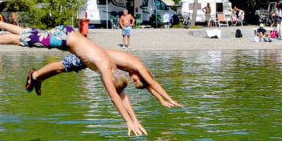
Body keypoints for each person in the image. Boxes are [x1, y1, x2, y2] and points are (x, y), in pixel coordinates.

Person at [0, 18, 151, 136]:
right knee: (24, 40)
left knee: (29, 34)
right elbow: (115, 97)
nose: (106, 86)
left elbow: (122, 96)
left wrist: (135, 120)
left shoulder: (112, 67)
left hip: (67, 36)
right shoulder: (105, 69)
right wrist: (128, 121)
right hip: (65, 37)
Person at [25, 48, 181, 109]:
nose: (132, 80)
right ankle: (35, 75)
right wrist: (170, 99)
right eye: (135, 80)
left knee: (64, 69)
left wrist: (161, 101)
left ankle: (39, 79)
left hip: (97, 61)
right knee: (63, 65)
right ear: (141, 76)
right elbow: (153, 83)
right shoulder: (138, 65)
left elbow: (149, 86)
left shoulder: (135, 69)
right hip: (94, 55)